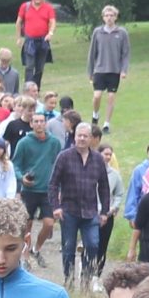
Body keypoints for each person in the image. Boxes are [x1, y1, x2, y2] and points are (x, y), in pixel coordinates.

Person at [49, 121, 113, 286]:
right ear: (74, 137)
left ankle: (85, 280)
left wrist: (105, 212)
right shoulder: (64, 157)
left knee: (93, 245)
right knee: (69, 248)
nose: (82, 139)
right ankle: (69, 280)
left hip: (91, 211)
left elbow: (104, 187)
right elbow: (53, 183)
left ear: (91, 138)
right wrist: (55, 207)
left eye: (86, 136)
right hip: (69, 210)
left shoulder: (98, 159)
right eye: (80, 136)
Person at [14, 114, 61, 256]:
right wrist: (22, 178)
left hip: (48, 190)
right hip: (29, 189)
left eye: (42, 121)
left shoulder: (54, 142)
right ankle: (25, 251)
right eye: (36, 121)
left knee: (49, 223)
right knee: (27, 223)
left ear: (46, 123)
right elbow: (15, 165)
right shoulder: (24, 143)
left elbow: (59, 164)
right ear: (31, 124)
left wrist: (59, 187)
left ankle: (37, 248)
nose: (39, 124)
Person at [87, 6, 131, 130]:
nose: (109, 18)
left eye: (111, 15)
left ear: (115, 17)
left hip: (114, 71)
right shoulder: (97, 32)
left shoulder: (122, 33)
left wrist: (124, 70)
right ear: (103, 17)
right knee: (97, 96)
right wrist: (90, 71)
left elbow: (126, 53)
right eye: (106, 16)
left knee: (111, 97)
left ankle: (106, 123)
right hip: (100, 70)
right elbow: (92, 53)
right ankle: (95, 114)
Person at [17, 0, 58, 90]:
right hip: (30, 40)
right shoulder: (25, 7)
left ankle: (36, 89)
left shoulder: (48, 8)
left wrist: (51, 33)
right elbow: (19, 22)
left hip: (43, 40)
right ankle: (27, 89)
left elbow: (52, 22)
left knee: (40, 67)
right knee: (29, 66)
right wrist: (19, 37)